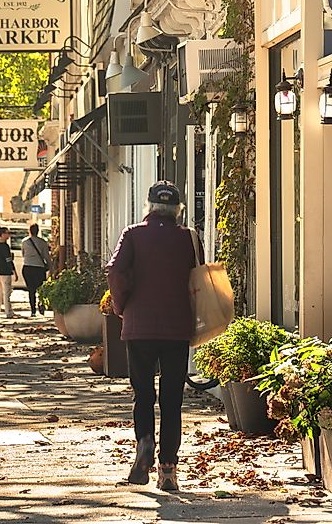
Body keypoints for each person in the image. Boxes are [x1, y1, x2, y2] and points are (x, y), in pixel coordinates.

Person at [105, 181, 203, 493]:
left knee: (143, 394)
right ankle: (169, 470)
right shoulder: (189, 238)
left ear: (149, 206)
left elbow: (115, 271)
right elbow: (200, 278)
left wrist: (121, 306)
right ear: (178, 210)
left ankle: (144, 443)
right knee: (172, 400)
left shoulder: (132, 234)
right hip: (177, 328)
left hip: (140, 325)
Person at [20, 223, 51, 316]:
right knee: (41, 289)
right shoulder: (42, 242)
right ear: (38, 231)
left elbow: (23, 254)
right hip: (39, 268)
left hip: (27, 267)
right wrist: (50, 266)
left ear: (29, 231)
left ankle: (33, 310)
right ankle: (41, 306)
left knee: (31, 290)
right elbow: (46, 256)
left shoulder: (24, 242)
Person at [0, 227, 18, 318]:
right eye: (7, 233)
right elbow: (8, 260)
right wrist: (14, 271)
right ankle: (8, 312)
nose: (8, 235)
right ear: (2, 234)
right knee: (7, 293)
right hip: (5, 272)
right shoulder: (5, 246)